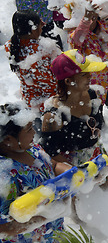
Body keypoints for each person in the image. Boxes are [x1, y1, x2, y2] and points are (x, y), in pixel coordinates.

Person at [39, 49, 108, 185]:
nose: (90, 77)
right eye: (84, 74)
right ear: (68, 81)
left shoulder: (92, 94)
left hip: (96, 154)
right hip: (71, 168)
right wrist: (79, 172)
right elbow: (49, 154)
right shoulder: (53, 116)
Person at [0, 102, 72, 242]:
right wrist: (44, 217)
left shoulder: (33, 149)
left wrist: (71, 172)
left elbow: (53, 165)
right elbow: (4, 227)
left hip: (52, 232)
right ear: (8, 140)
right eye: (28, 129)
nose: (34, 132)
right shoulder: (4, 174)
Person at [5, 11, 60, 112]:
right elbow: (61, 73)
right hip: (53, 101)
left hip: (31, 101)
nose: (43, 25)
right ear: (33, 29)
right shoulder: (45, 49)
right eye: (40, 23)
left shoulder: (9, 46)